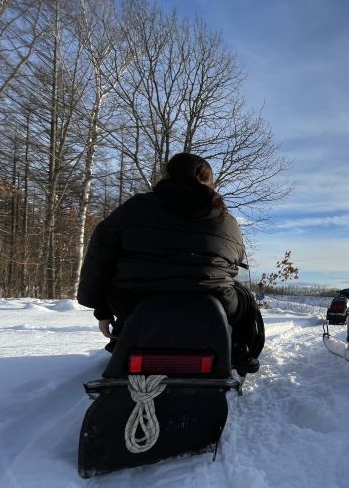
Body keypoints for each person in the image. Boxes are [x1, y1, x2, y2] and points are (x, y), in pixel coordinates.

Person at [77, 152, 263, 375]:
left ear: (169, 175)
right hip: (213, 299)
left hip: (134, 299)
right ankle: (239, 349)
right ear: (209, 182)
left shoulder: (134, 208)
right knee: (244, 300)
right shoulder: (227, 220)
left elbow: (100, 259)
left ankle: (125, 339)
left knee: (122, 298)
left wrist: (101, 308)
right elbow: (234, 263)